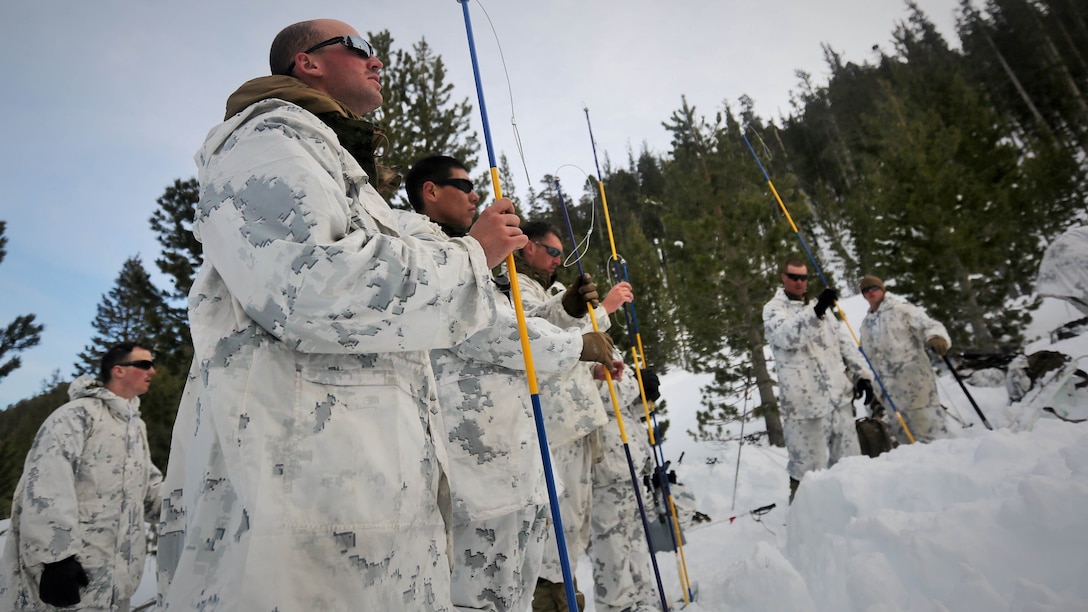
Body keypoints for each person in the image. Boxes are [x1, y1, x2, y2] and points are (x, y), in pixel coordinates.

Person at [156, 20, 527, 610]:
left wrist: (473, 250)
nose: (379, 62)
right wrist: (472, 255)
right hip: (302, 499)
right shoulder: (264, 141)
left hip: (365, 496)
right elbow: (313, 286)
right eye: (362, 49)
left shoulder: (339, 169)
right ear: (307, 62)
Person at [405, 155, 616, 612]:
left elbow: (519, 319)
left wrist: (571, 314)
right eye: (463, 185)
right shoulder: (428, 251)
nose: (476, 195)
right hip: (476, 465)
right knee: (480, 598)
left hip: (517, 457)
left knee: (516, 592)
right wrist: (577, 345)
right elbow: (489, 329)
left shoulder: (475, 260)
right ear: (430, 191)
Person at [512, 222, 634, 611]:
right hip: (554, 430)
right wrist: (604, 308)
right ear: (528, 248)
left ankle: (566, 593)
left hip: (579, 423)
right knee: (555, 530)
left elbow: (566, 356)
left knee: (574, 526)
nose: (558, 260)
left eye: (561, 254)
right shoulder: (514, 286)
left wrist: (596, 372)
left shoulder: (548, 289)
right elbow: (535, 337)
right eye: (551, 252)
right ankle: (553, 598)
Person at [0, 342, 163, 611]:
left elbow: (148, 493)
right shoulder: (77, 416)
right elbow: (46, 484)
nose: (153, 371)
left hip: (115, 586)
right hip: (73, 579)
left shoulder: (135, 429)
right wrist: (56, 560)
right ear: (118, 371)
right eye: (144, 364)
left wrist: (197, 495)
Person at [763, 257, 872, 502]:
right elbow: (788, 336)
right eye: (794, 277)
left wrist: (862, 375)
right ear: (783, 277)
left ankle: (856, 516)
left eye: (803, 277)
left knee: (852, 468)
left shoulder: (818, 306)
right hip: (805, 412)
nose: (799, 282)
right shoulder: (774, 310)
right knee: (807, 477)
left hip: (839, 403)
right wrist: (817, 311)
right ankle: (806, 530)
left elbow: (843, 343)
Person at [586, 358, 660, 612]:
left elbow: (623, 409)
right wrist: (635, 383)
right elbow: (599, 397)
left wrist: (643, 398)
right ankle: (618, 607)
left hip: (629, 465)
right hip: (606, 469)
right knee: (612, 548)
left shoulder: (607, 342)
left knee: (636, 542)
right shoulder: (581, 338)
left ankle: (644, 600)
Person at [858, 275, 951, 443]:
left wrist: (936, 337)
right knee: (906, 444)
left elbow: (930, 325)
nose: (871, 292)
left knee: (933, 438)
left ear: (882, 290)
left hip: (917, 389)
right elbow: (866, 358)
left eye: (874, 288)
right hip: (891, 398)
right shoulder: (866, 325)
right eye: (866, 290)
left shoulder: (902, 310)